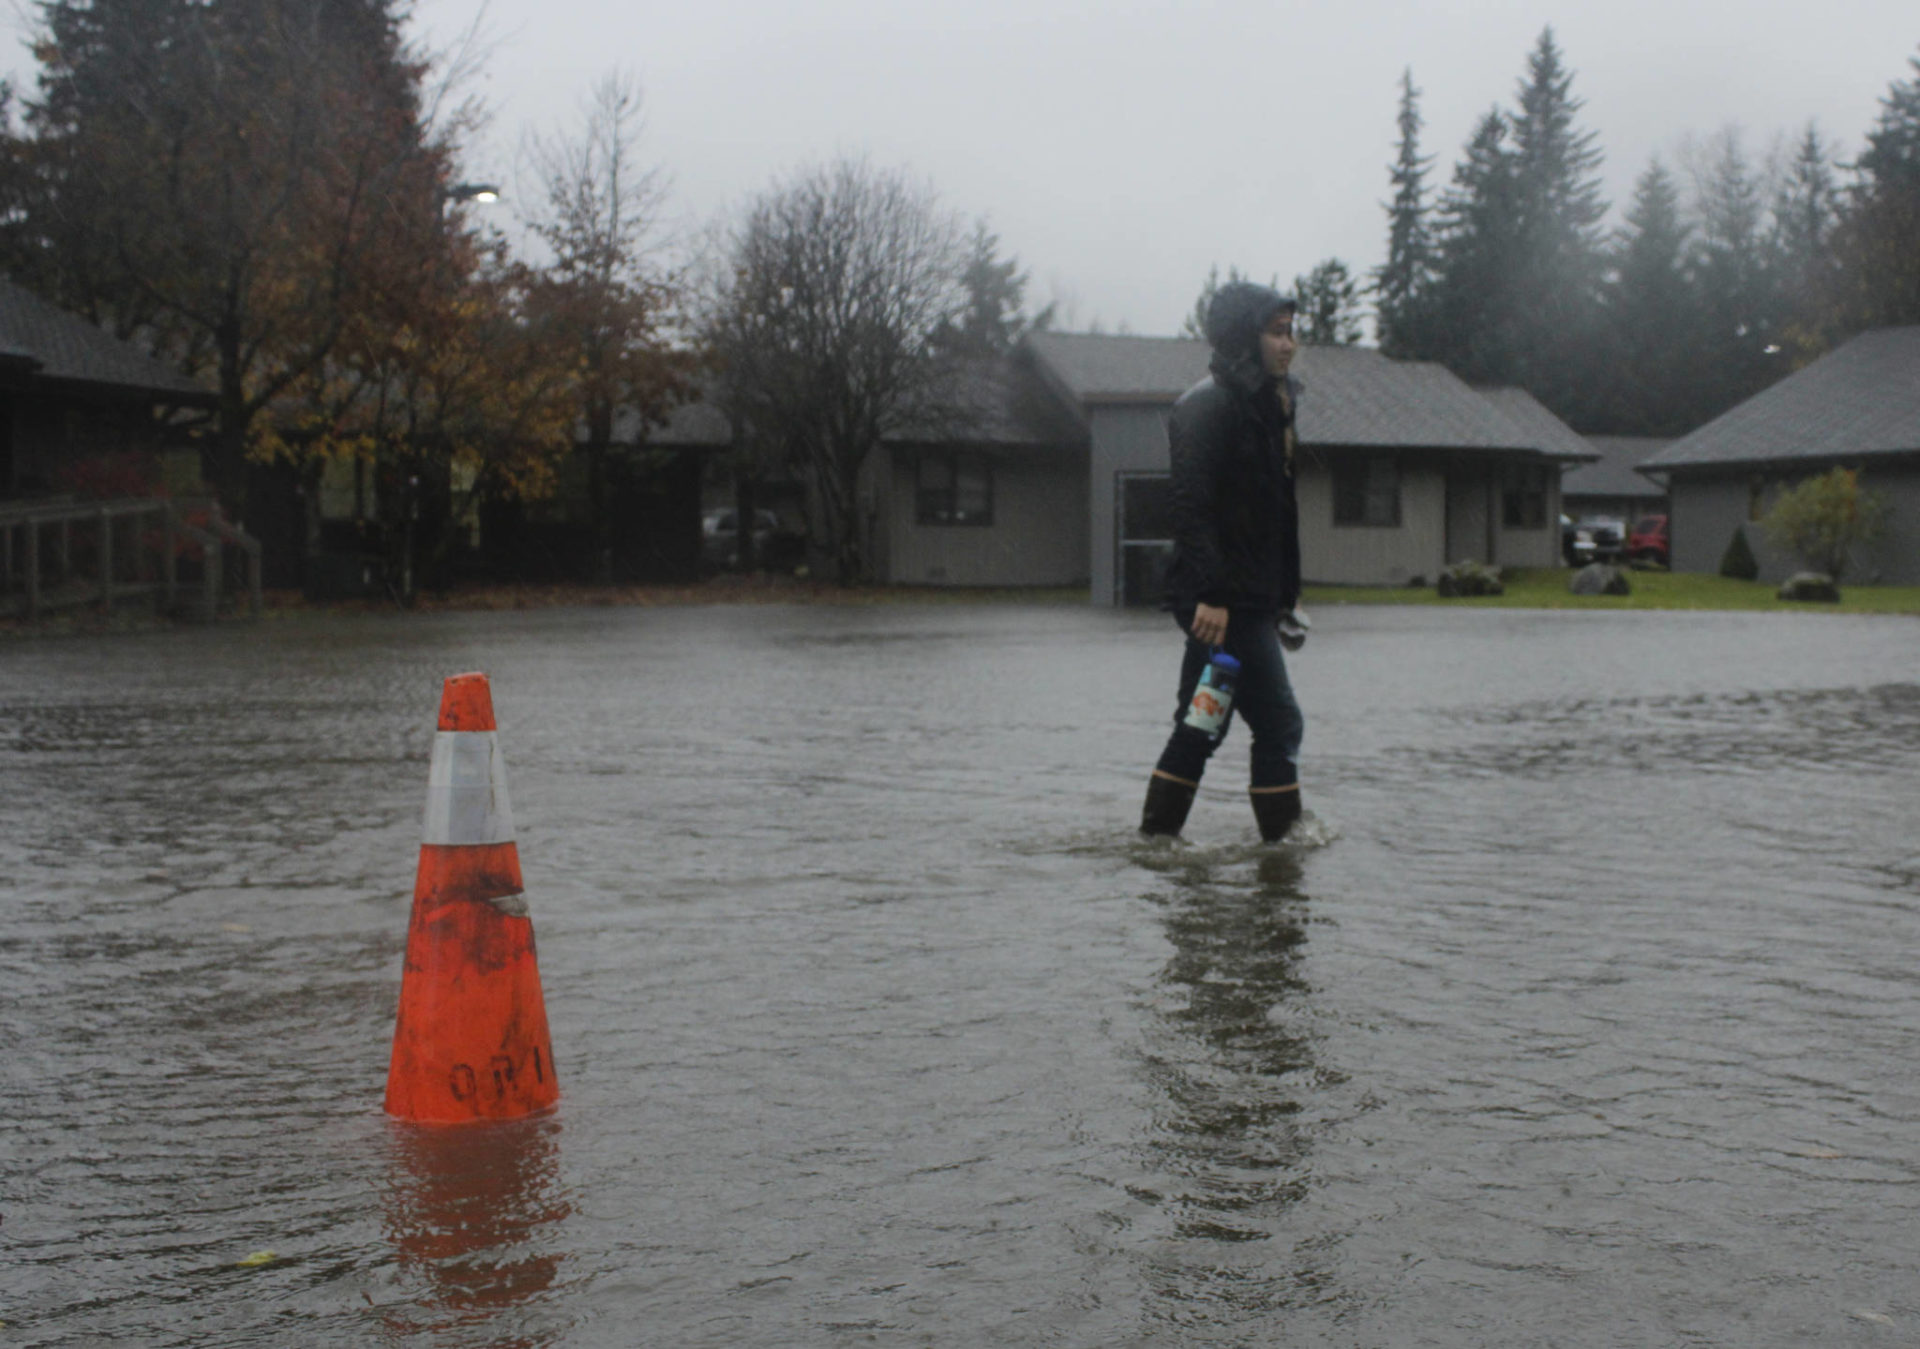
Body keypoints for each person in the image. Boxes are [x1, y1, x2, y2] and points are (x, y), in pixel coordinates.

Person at [1139, 280, 1308, 841]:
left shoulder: (1269, 409)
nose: (1289, 345)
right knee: (1279, 723)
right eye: (1277, 332)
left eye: (1291, 333)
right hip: (1223, 602)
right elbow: (1191, 506)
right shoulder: (1205, 406)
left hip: (1248, 600)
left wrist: (1286, 594)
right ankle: (1284, 853)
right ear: (1245, 336)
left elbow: (1277, 511)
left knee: (1201, 725)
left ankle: (1157, 845)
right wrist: (1210, 592)